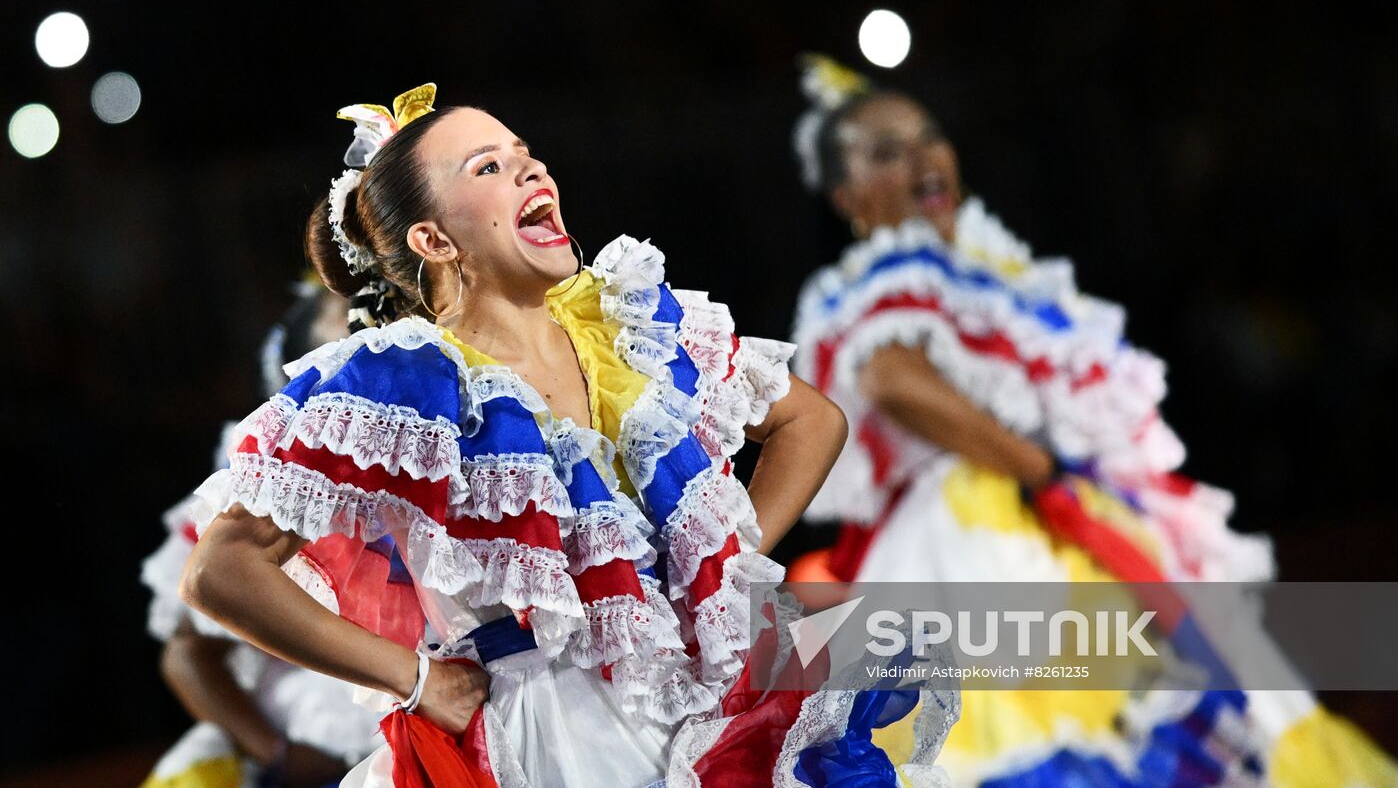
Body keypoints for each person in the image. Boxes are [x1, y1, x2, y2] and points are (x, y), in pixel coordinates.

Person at [178, 84, 957, 788]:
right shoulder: (404, 379)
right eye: (487, 167)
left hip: (702, 684)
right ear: (434, 241)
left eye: (525, 154)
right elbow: (221, 568)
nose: (529, 169)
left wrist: (722, 566)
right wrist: (414, 678)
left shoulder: (625, 325)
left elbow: (809, 419)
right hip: (557, 738)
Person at [787, 55, 1398, 787]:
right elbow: (892, 378)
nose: (922, 157)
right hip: (971, 537)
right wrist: (1033, 463)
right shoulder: (874, 280)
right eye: (887, 151)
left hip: (1046, 515)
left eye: (929, 136)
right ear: (848, 196)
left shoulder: (978, 271)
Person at [140, 285, 384, 788]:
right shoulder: (268, 477)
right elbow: (187, 655)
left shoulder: (430, 446)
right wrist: (281, 759)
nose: (369, 318)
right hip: (334, 751)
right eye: (343, 309)